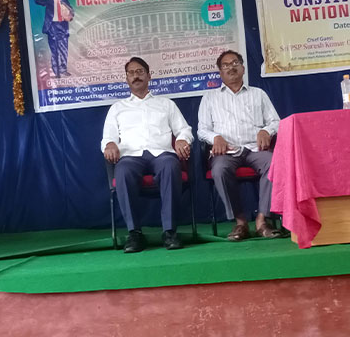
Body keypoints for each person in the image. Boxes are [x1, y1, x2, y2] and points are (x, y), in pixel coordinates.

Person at [101, 57, 193, 253]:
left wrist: (182, 140)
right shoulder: (118, 108)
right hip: (130, 156)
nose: (136, 76)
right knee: (122, 171)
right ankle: (134, 234)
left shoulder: (166, 104)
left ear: (149, 76)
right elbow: (108, 137)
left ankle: (169, 231)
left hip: (162, 154)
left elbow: (184, 129)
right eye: (131, 73)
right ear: (126, 79)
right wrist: (109, 144)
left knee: (171, 166)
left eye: (140, 72)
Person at [198, 50, 281, 241]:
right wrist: (215, 137)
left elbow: (276, 122)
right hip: (226, 151)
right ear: (220, 72)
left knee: (274, 163)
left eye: (235, 63)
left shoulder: (258, 94)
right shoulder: (210, 97)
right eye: (226, 65)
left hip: (255, 148)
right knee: (219, 170)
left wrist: (266, 131)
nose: (231, 68)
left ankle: (262, 220)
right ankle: (240, 222)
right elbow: (202, 130)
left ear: (243, 68)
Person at [34, 0, 73, 78]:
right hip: (52, 27)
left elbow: (71, 12)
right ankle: (56, 72)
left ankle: (63, 70)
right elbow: (38, 1)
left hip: (63, 27)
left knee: (64, 50)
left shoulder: (64, 0)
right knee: (54, 50)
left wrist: (69, 17)